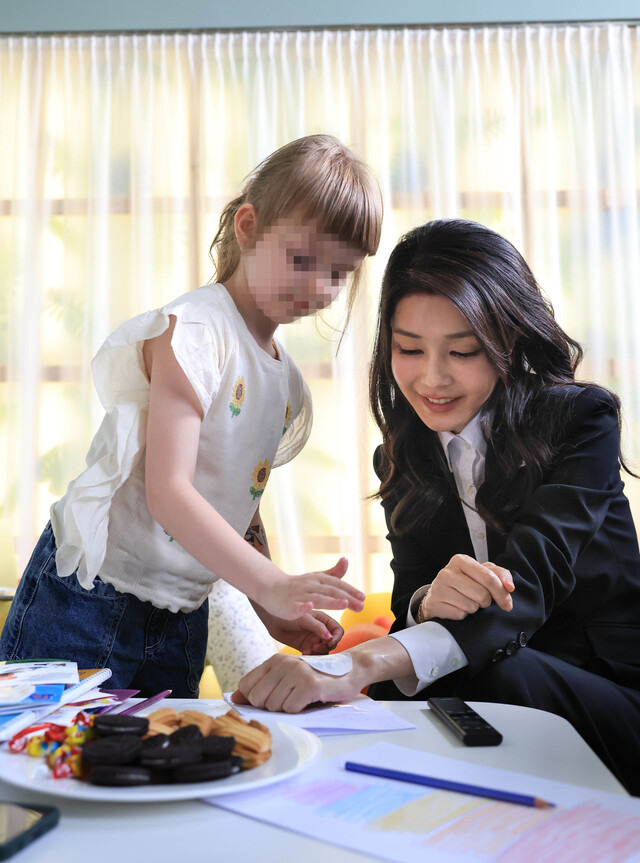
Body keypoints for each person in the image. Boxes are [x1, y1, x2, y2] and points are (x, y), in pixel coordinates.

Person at [233, 218, 640, 795]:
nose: (432, 378)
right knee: (400, 687)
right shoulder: (404, 455)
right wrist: (427, 602)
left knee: (464, 665)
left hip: (610, 699)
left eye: (464, 351)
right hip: (500, 689)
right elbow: (410, 603)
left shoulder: (582, 421)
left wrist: (354, 664)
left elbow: (523, 594)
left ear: (510, 340)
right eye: (409, 349)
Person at [0, 134, 384, 697]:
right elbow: (169, 492)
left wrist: (265, 606)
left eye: (339, 272)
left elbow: (240, 504)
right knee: (37, 759)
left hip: (182, 610)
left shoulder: (285, 385)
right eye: (301, 260)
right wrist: (274, 583)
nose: (317, 287)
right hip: (92, 592)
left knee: (161, 768)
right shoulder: (197, 330)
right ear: (248, 226)